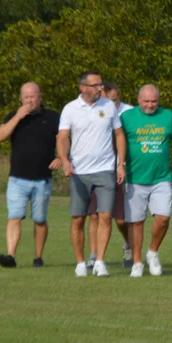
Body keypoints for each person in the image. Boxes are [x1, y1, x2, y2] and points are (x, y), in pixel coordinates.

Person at [57, 71, 125, 278]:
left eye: (101, 85)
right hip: (79, 172)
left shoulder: (108, 106)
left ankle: (100, 262)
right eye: (95, 85)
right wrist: (65, 161)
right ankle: (80, 262)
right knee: (78, 219)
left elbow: (119, 134)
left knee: (105, 215)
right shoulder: (70, 109)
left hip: (105, 170)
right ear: (82, 88)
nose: (99, 88)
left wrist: (120, 164)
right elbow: (62, 137)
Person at [120, 85, 172, 278]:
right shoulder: (126, 118)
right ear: (138, 99)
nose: (150, 105)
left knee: (164, 217)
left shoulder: (168, 116)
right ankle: (136, 263)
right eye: (146, 101)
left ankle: (152, 252)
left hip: (161, 178)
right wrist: (119, 166)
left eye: (154, 101)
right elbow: (116, 141)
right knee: (136, 222)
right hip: (134, 179)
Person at [0, 82, 60, 268]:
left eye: (33, 97)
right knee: (14, 216)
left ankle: (38, 257)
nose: (30, 100)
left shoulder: (53, 117)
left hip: (42, 180)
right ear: (21, 99)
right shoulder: (14, 116)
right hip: (17, 179)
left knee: (39, 219)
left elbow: (64, 139)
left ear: (40, 97)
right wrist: (17, 116)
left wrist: (62, 158)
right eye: (26, 97)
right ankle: (11, 256)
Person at [86, 82, 134, 270]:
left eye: (115, 100)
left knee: (121, 219)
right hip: (97, 170)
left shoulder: (129, 113)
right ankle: (93, 256)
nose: (112, 104)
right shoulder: (93, 109)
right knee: (95, 216)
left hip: (120, 172)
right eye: (108, 100)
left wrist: (124, 164)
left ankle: (128, 244)